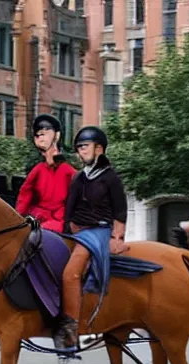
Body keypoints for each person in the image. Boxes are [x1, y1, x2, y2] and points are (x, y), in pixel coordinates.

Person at [53, 126, 128, 350]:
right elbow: (69, 208)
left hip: (98, 231)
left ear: (99, 149)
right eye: (78, 149)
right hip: (75, 231)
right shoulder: (78, 177)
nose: (80, 152)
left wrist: (117, 237)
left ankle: (71, 329)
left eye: (84, 147)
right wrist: (66, 230)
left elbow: (120, 210)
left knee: (69, 274)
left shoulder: (111, 178)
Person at [15, 114, 76, 233]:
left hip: (59, 220)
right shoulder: (38, 170)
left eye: (45, 132)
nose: (40, 137)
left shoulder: (69, 172)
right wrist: (18, 217)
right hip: (36, 217)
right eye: (38, 134)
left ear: (56, 136)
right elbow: (25, 194)